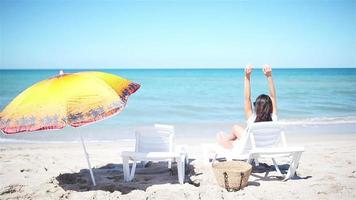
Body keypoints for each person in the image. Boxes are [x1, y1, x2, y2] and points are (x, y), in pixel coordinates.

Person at [217, 64, 277, 149]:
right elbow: (273, 97)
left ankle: (226, 139)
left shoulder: (252, 121)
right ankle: (228, 138)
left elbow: (247, 98)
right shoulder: (274, 118)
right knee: (235, 128)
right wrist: (269, 75)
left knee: (222, 135)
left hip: (248, 147)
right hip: (263, 145)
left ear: (257, 107)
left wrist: (247, 76)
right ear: (270, 107)